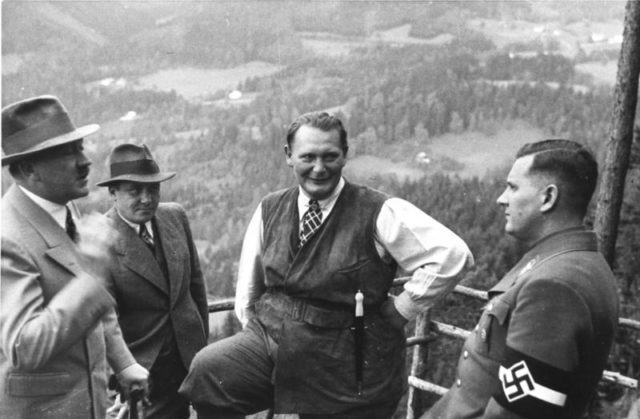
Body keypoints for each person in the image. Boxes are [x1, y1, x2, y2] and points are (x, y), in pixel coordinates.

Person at [180, 111, 474, 419]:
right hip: (273, 338)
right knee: (209, 371)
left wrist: (401, 310)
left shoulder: (379, 210)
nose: (319, 168)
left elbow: (453, 255)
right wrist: (256, 333)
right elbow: (249, 288)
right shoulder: (270, 208)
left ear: (345, 156)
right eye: (308, 157)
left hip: (346, 350)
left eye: (330, 156)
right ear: (288, 156)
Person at [422, 139, 619, 419]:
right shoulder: (569, 264)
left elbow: (516, 415)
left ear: (548, 198)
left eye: (513, 187)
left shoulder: (555, 286)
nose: (501, 198)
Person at [0, 95, 149, 419]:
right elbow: (24, 347)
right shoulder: (6, 238)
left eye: (79, 147)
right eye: (67, 153)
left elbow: (92, 304)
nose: (85, 162)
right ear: (28, 169)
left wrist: (123, 363)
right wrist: (93, 277)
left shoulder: (61, 206)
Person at [96, 143, 209, 419]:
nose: (147, 199)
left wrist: (201, 348)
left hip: (190, 360)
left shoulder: (175, 216)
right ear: (113, 193)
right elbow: (102, 320)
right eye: (135, 191)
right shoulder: (99, 238)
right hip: (142, 372)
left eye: (153, 189)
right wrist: (120, 377)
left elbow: (196, 288)